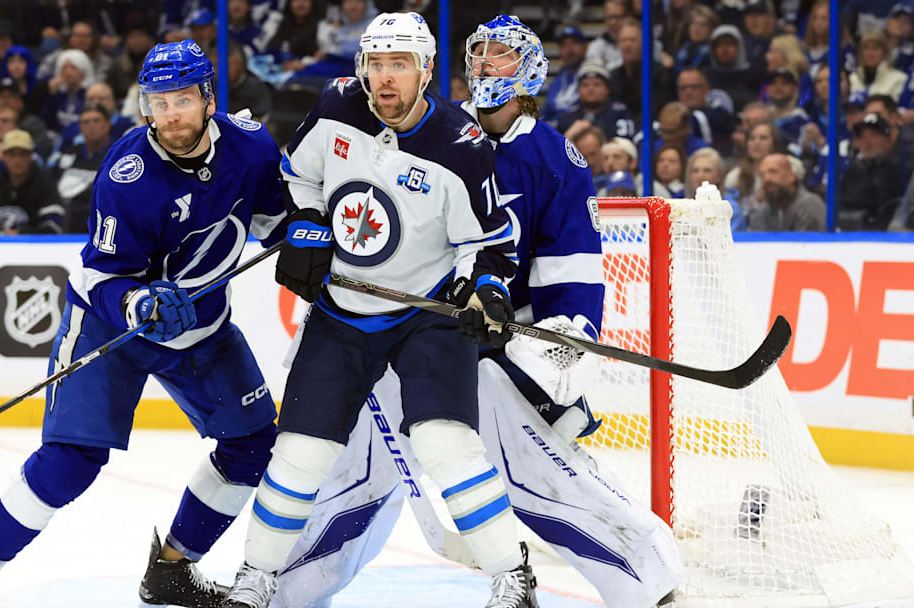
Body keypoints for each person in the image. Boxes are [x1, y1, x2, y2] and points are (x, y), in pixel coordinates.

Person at [265, 15, 683, 608]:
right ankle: (284, 593)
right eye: (479, 54)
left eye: (502, 56)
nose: (487, 65)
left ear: (531, 72)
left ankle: (650, 583)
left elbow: (571, 267)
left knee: (534, 480)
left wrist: (564, 334)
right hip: (382, 334)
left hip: (488, 352)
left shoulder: (553, 159)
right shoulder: (434, 128)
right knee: (349, 482)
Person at [0, 39, 288, 608]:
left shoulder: (252, 148)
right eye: (157, 101)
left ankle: (171, 571)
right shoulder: (128, 173)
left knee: (252, 446)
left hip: (202, 328)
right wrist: (140, 305)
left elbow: (277, 219)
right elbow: (99, 277)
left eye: (182, 100)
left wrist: (308, 235)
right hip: (110, 328)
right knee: (70, 461)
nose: (169, 114)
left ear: (208, 99)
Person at [221, 12, 534, 608]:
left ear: (426, 70)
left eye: (399, 65)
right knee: (299, 453)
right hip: (343, 308)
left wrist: (486, 292)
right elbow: (298, 177)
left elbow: (490, 245)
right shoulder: (337, 105)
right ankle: (256, 576)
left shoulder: (460, 145)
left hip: (427, 311)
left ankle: (511, 578)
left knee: (447, 444)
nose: (384, 79)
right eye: (376, 64)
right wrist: (309, 225)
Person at [49, 105, 114, 232]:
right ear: (80, 127)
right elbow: (52, 185)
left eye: (96, 121)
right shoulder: (68, 155)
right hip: (67, 225)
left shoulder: (119, 155)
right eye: (86, 122)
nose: (91, 126)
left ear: (108, 125)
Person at [839, 112, 903, 230]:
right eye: (862, 136)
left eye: (873, 135)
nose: (867, 142)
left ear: (888, 140)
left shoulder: (897, 171)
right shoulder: (851, 172)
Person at [0, 129, 65, 234]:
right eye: (12, 154)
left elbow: (54, 227)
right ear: (4, 156)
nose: (17, 160)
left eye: (23, 154)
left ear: (31, 155)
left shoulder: (44, 183)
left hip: (36, 248)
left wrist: (22, 234)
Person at [554, 60, 636, 142]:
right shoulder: (566, 117)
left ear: (607, 89)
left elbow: (625, 146)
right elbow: (554, 149)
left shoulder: (620, 114)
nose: (591, 89)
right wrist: (569, 135)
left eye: (597, 84)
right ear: (578, 90)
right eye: (585, 85)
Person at [748, 153, 826, 230]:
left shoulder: (810, 205)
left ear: (793, 175)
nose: (766, 179)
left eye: (773, 171)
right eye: (762, 175)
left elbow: (805, 242)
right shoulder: (761, 211)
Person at [676, 67, 735, 155]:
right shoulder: (671, 115)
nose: (688, 91)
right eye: (683, 88)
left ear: (706, 89)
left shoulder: (719, 115)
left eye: (694, 87)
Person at [685, 146, 745, 231]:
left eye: (707, 170)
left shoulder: (731, 209)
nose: (700, 175)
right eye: (695, 170)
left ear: (719, 176)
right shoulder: (682, 206)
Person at [540, 26, 589, 123]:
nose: (569, 50)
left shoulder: (593, 79)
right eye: (564, 45)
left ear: (585, 47)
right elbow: (545, 114)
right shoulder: (555, 83)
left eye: (574, 43)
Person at [587, 0, 630, 70]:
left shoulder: (640, 42)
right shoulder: (596, 46)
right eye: (609, 17)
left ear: (627, 17)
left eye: (617, 17)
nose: (613, 22)